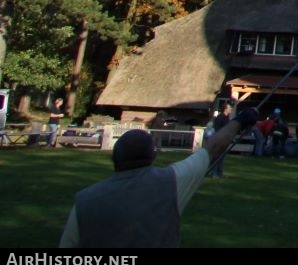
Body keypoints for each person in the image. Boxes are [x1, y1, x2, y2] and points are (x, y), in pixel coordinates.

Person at [58, 106, 259, 248]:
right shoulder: (170, 183)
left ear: (115, 158)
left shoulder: (85, 201)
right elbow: (212, 149)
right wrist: (240, 120)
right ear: (153, 155)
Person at [208, 105, 233, 178]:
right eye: (229, 108)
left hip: (224, 139)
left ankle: (219, 173)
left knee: (221, 157)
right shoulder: (220, 118)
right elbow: (218, 129)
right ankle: (214, 173)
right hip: (219, 139)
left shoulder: (226, 118)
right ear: (225, 109)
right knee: (217, 157)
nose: (231, 109)